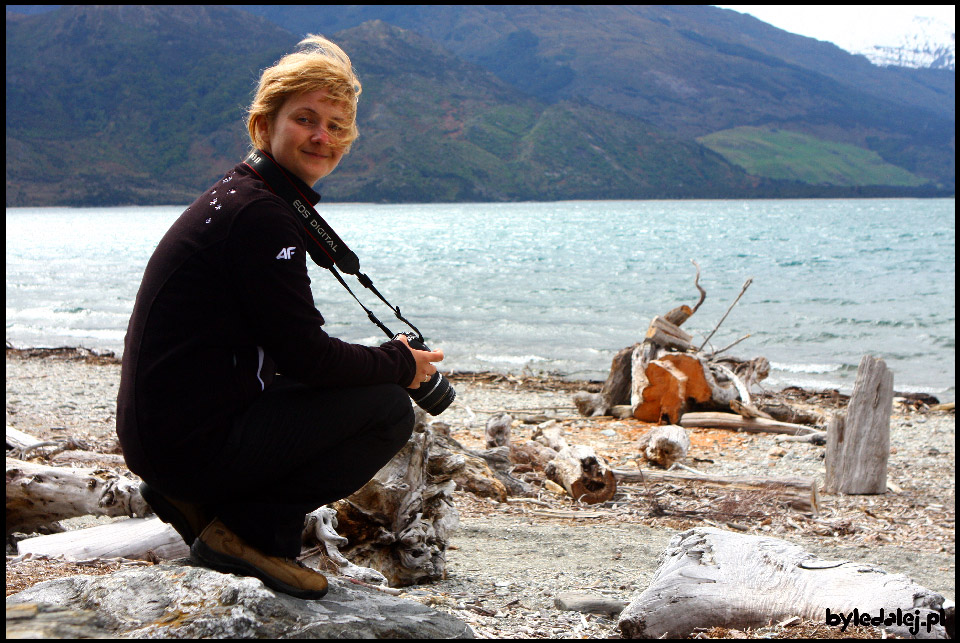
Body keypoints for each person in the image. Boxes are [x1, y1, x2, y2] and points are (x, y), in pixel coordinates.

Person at [116, 35, 444, 600]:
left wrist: (381, 360)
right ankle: (245, 535)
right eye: (306, 119)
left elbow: (285, 345)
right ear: (263, 126)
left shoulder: (248, 198)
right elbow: (307, 357)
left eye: (337, 126)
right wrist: (398, 364)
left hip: (168, 434)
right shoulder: (260, 216)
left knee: (356, 386)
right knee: (388, 411)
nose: (322, 136)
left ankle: (200, 504)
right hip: (185, 443)